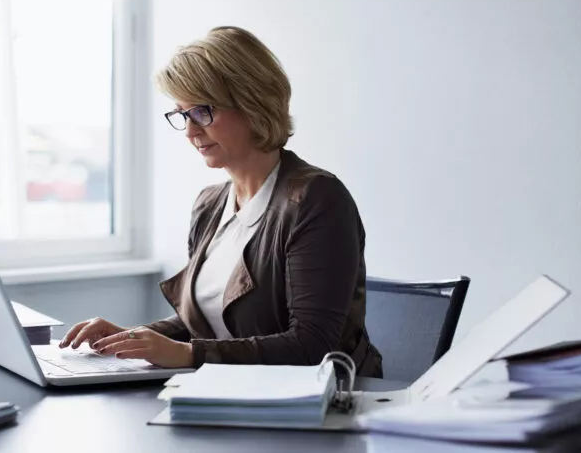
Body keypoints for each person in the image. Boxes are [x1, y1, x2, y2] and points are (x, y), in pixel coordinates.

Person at [60, 26, 383, 377]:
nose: (190, 131)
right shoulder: (210, 205)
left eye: (201, 111)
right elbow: (202, 324)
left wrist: (187, 354)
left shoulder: (317, 198)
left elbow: (311, 346)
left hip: (311, 410)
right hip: (234, 395)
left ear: (252, 103)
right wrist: (132, 338)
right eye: (182, 115)